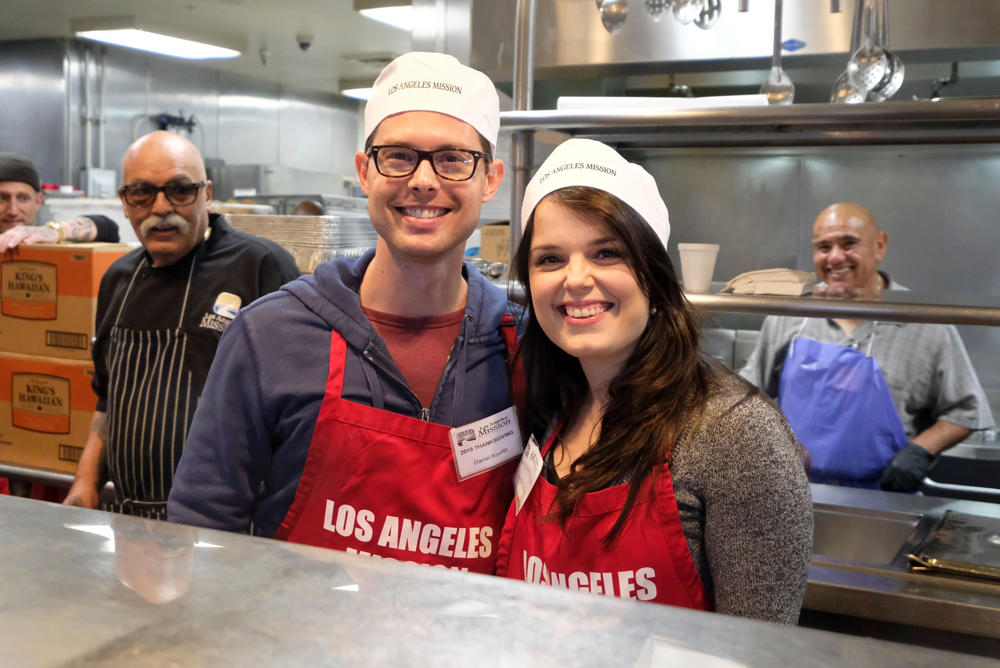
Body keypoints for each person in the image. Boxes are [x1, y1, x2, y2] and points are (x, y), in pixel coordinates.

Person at [168, 53, 520, 574]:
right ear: (364, 172)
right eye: (398, 156)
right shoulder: (270, 335)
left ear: (490, 179)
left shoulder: (525, 346)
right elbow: (201, 526)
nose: (424, 180)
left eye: (453, 159)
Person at [495, 139, 812, 625]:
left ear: (654, 275)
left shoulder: (734, 434)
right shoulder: (552, 404)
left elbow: (758, 655)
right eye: (550, 259)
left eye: (606, 253)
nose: (575, 279)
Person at [62, 131, 300, 519]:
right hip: (135, 520)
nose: (160, 207)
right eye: (141, 192)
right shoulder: (118, 278)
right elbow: (108, 398)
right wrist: (85, 484)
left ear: (206, 193)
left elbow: (300, 411)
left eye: (179, 190)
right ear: (124, 202)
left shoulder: (260, 267)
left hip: (228, 528)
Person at [740, 203, 994, 492]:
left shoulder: (925, 322)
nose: (835, 257)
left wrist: (921, 450)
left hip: (883, 498)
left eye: (849, 244)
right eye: (823, 247)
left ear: (880, 245)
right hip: (791, 494)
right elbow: (748, 395)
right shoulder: (790, 315)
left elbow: (965, 410)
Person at [0, 152, 121, 251]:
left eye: (23, 199)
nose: (13, 211)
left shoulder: (51, 240)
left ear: (38, 201)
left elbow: (108, 228)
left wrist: (55, 231)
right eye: (2, 199)